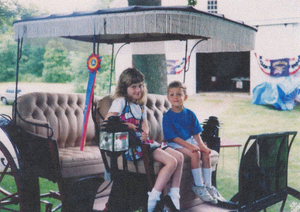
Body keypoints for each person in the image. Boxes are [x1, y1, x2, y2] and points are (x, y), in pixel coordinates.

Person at [105, 68, 184, 211]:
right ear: (124, 88)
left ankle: (174, 196)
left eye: (140, 86)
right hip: (131, 146)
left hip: (143, 143)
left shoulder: (139, 105)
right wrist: (126, 125)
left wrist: (146, 131)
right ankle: (153, 198)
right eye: (133, 87)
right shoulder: (121, 101)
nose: (138, 90)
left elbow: (144, 123)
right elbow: (108, 120)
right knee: (171, 161)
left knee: (179, 156)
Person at [162, 80, 219, 205]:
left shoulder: (190, 114)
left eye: (178, 94)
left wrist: (202, 146)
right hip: (175, 144)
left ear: (185, 97)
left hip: (189, 140)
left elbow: (196, 133)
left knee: (205, 153)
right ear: (168, 98)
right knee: (195, 154)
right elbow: (173, 138)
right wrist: (191, 146)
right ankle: (198, 186)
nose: (175, 97)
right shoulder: (167, 117)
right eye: (172, 95)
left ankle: (208, 186)